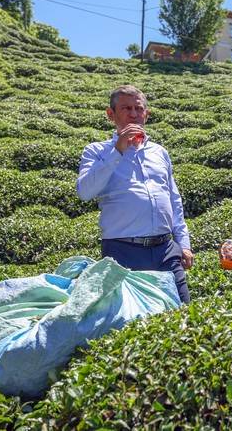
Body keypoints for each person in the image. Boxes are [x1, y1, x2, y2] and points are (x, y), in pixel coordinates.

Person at [76, 85, 193, 304]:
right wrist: (117, 151)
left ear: (146, 115)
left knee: (183, 311)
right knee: (133, 320)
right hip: (122, 250)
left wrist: (183, 244)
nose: (133, 114)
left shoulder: (159, 152)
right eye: (126, 108)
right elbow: (85, 191)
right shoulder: (96, 151)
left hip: (166, 249)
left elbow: (173, 200)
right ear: (111, 114)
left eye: (138, 109)